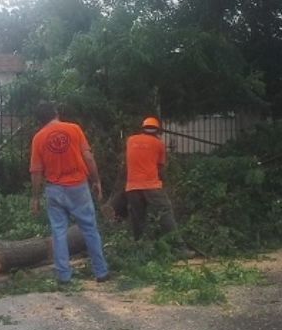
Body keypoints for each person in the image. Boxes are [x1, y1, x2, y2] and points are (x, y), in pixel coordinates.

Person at [29, 102, 109, 284]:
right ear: (56, 112)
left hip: (54, 189)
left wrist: (35, 198)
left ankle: (64, 276)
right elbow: (88, 157)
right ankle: (101, 272)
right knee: (89, 229)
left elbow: (36, 171)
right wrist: (96, 180)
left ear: (40, 120)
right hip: (78, 187)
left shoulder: (38, 138)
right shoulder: (74, 129)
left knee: (59, 233)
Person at [125, 117, 177, 240]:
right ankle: (178, 245)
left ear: (143, 129)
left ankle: (139, 246)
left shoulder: (130, 140)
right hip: (151, 185)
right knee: (165, 211)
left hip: (132, 187)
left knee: (138, 218)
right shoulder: (159, 144)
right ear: (157, 131)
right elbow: (160, 167)